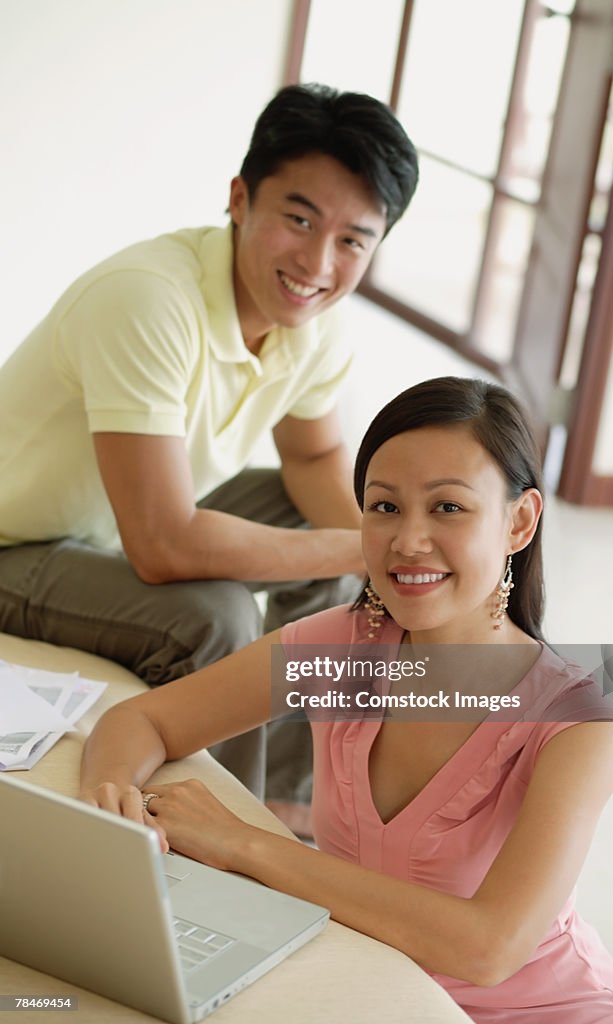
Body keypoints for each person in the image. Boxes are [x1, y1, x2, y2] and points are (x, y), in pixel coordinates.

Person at [80, 376, 613, 1024]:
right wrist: (109, 802)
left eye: (447, 508)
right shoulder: (344, 647)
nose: (407, 541)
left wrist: (246, 844)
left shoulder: (582, 725)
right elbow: (145, 718)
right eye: (384, 508)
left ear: (518, 521)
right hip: (374, 994)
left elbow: (487, 948)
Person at [0, 83, 419, 803]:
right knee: (220, 615)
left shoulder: (312, 324)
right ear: (238, 198)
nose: (318, 264)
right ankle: (232, 839)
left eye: (352, 240)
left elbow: (314, 458)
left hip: (119, 525)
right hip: (18, 543)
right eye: (298, 218)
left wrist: (379, 554)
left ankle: (290, 804)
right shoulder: (146, 298)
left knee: (352, 532)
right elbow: (162, 544)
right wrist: (364, 548)